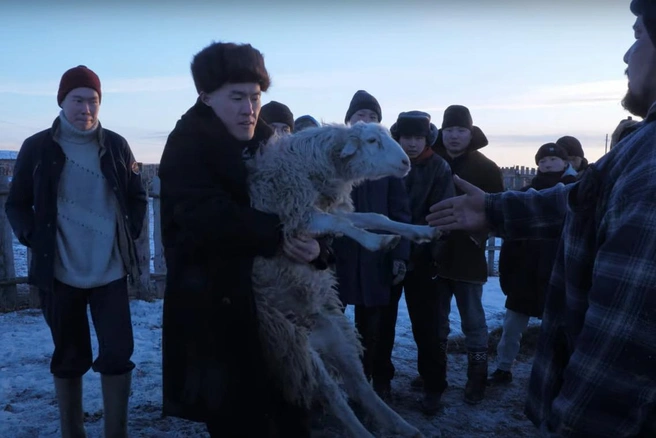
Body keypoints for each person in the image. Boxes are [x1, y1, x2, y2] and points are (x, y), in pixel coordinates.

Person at [425, 2, 656, 434]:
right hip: (442, 264)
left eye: (638, 34)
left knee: (476, 322)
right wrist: (494, 209)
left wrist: (576, 420)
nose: (627, 55)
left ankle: (482, 375)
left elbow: (625, 347)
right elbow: (580, 197)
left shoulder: (652, 165)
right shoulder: (642, 145)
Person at [157, 41, 333, 438]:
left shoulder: (269, 142)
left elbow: (306, 205)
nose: (249, 108)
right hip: (217, 310)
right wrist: (278, 234)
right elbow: (205, 217)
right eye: (236, 97)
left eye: (254, 97)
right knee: (238, 420)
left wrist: (317, 249)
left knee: (293, 416)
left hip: (282, 313)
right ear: (205, 95)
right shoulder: (186, 144)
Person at [5, 65, 147, 438]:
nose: (86, 108)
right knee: (69, 357)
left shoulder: (115, 145)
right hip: (60, 270)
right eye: (78, 100)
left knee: (117, 356)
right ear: (62, 102)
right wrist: (33, 236)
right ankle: (73, 432)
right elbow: (16, 203)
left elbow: (136, 194)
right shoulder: (37, 147)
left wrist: (127, 231)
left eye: (93, 101)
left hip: (110, 271)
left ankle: (116, 432)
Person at [332, 89, 411, 395]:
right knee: (331, 325)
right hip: (337, 257)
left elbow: (400, 211)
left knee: (375, 328)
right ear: (348, 122)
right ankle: (334, 384)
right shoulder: (335, 160)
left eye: (372, 118)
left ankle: (375, 383)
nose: (365, 121)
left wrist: (400, 254)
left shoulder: (389, 167)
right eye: (359, 116)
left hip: (376, 257)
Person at [424, 104, 504, 405]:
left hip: (468, 255)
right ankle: (436, 373)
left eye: (461, 130)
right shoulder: (431, 162)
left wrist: (476, 235)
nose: (454, 136)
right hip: (432, 254)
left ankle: (477, 376)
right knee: (437, 320)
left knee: (473, 319)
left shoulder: (486, 168)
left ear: (470, 133)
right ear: (441, 133)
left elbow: (497, 213)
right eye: (449, 130)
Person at [488, 143, 576, 386]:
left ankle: (558, 375)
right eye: (542, 161)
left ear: (565, 162)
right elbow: (510, 238)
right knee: (512, 327)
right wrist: (507, 273)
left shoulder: (575, 192)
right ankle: (503, 367)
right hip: (526, 271)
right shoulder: (526, 193)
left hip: (558, 272)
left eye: (552, 159)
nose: (547, 164)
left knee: (559, 330)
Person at [387, 110, 455, 413]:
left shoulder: (438, 167)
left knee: (426, 327)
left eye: (417, 137)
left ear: (427, 138)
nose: (411, 143)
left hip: (424, 257)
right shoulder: (386, 165)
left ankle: (433, 386)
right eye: (405, 137)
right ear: (397, 138)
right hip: (387, 256)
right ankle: (380, 380)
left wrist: (426, 248)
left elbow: (442, 213)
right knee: (382, 324)